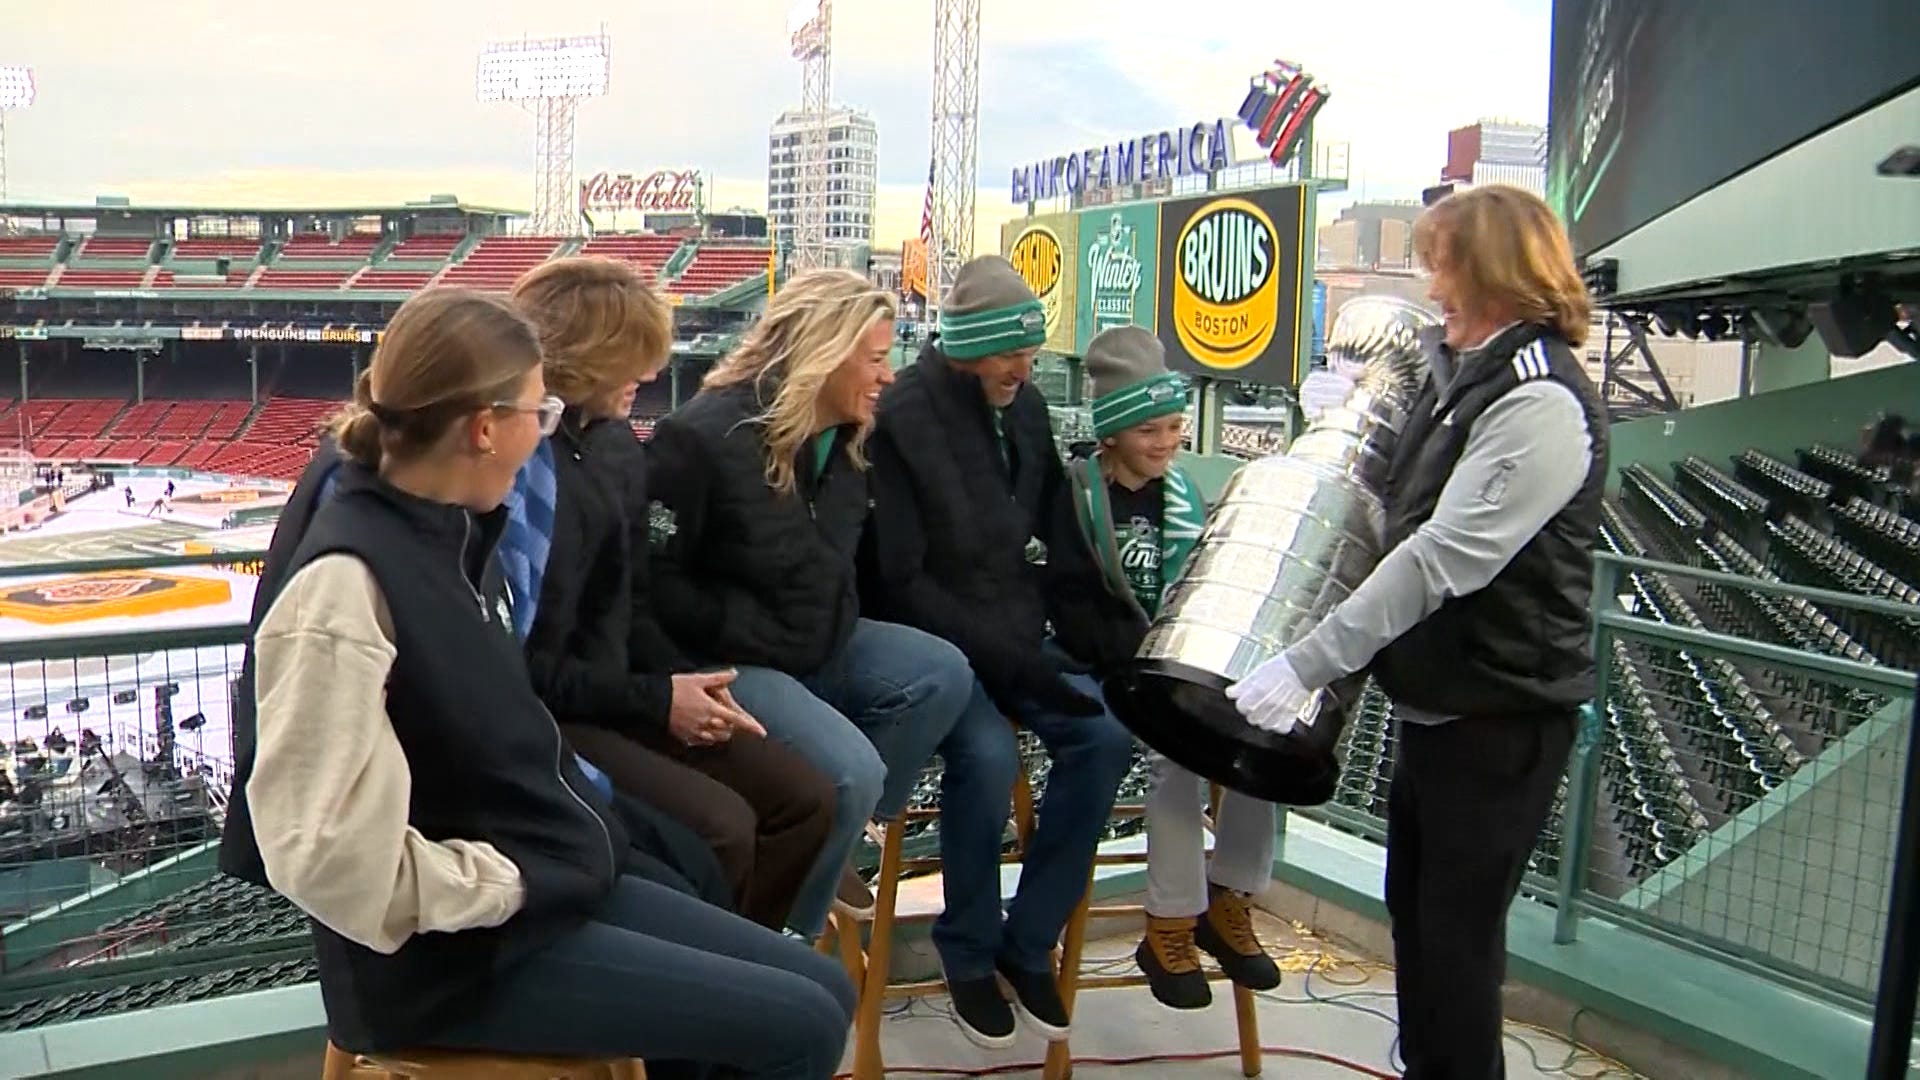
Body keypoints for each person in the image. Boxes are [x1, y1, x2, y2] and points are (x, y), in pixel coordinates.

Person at [220, 288, 853, 1075]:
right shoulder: (345, 591)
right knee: (800, 1025)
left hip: (543, 882)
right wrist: (503, 883)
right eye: (538, 413)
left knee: (828, 993)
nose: (542, 437)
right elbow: (321, 855)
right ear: (484, 428)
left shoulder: (443, 525)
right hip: (452, 959)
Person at [1226, 184, 1609, 1080]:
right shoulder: (1470, 375)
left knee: (1457, 948)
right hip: (1442, 711)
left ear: (1494, 273)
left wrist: (1308, 663)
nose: (1433, 289)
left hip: (1501, 717)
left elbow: (1443, 558)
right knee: (1420, 924)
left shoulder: (1540, 397)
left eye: (1444, 267)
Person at [644, 268, 976, 937]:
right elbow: (654, 583)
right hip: (736, 659)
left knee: (942, 671)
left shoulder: (850, 436)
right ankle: (780, 944)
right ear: (823, 352)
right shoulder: (703, 436)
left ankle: (836, 846)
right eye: (876, 359)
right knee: (850, 773)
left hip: (819, 642)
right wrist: (737, 632)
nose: (889, 376)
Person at [507, 256, 836, 931]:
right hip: (557, 713)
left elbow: (632, 609)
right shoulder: (516, 473)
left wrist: (689, 687)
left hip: (620, 694)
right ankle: (703, 1002)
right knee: (723, 830)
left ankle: (749, 976)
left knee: (808, 799)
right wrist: (659, 700)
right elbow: (523, 669)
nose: (650, 376)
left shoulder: (616, 448)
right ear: (581, 358)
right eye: (630, 358)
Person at [861, 255, 1136, 1048]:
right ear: (968, 344)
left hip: (1015, 631)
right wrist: (1009, 660)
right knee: (985, 762)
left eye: (1030, 352)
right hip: (938, 646)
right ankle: (968, 950)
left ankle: (1028, 938)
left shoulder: (1026, 408)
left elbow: (1058, 530)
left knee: (1104, 736)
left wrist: (1102, 633)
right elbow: (902, 581)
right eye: (1010, 353)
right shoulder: (904, 417)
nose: (1025, 367)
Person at [1060, 326, 1281, 1010]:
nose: (1165, 442)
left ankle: (1230, 896)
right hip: (1106, 665)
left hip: (1177, 660)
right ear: (1115, 432)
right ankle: (1169, 924)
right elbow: (1069, 602)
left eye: (1175, 427)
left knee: (1264, 735)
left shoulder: (1184, 496)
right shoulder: (1076, 494)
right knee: (1176, 755)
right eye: (1150, 429)